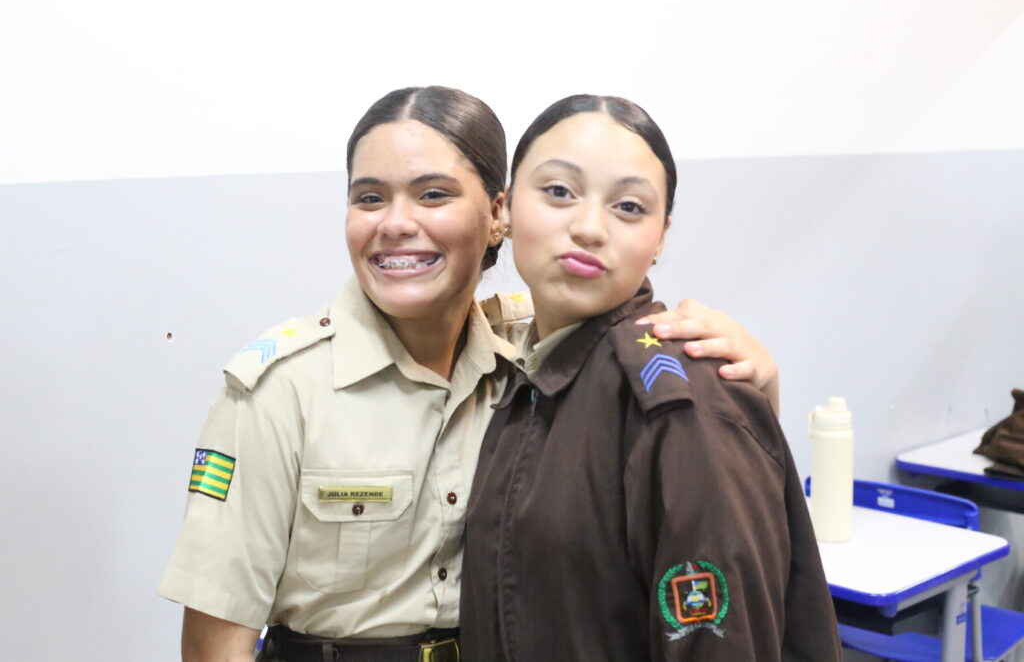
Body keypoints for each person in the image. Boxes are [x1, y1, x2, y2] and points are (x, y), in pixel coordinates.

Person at [158, 86, 782, 661]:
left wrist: (760, 380)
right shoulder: (280, 390)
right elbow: (216, 639)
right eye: (369, 197)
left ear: (498, 213)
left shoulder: (532, 357)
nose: (396, 223)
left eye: (433, 195)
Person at [460, 95, 840, 660]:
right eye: (559, 191)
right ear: (506, 209)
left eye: (629, 207)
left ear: (661, 236)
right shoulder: (524, 365)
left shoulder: (679, 407)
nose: (589, 228)